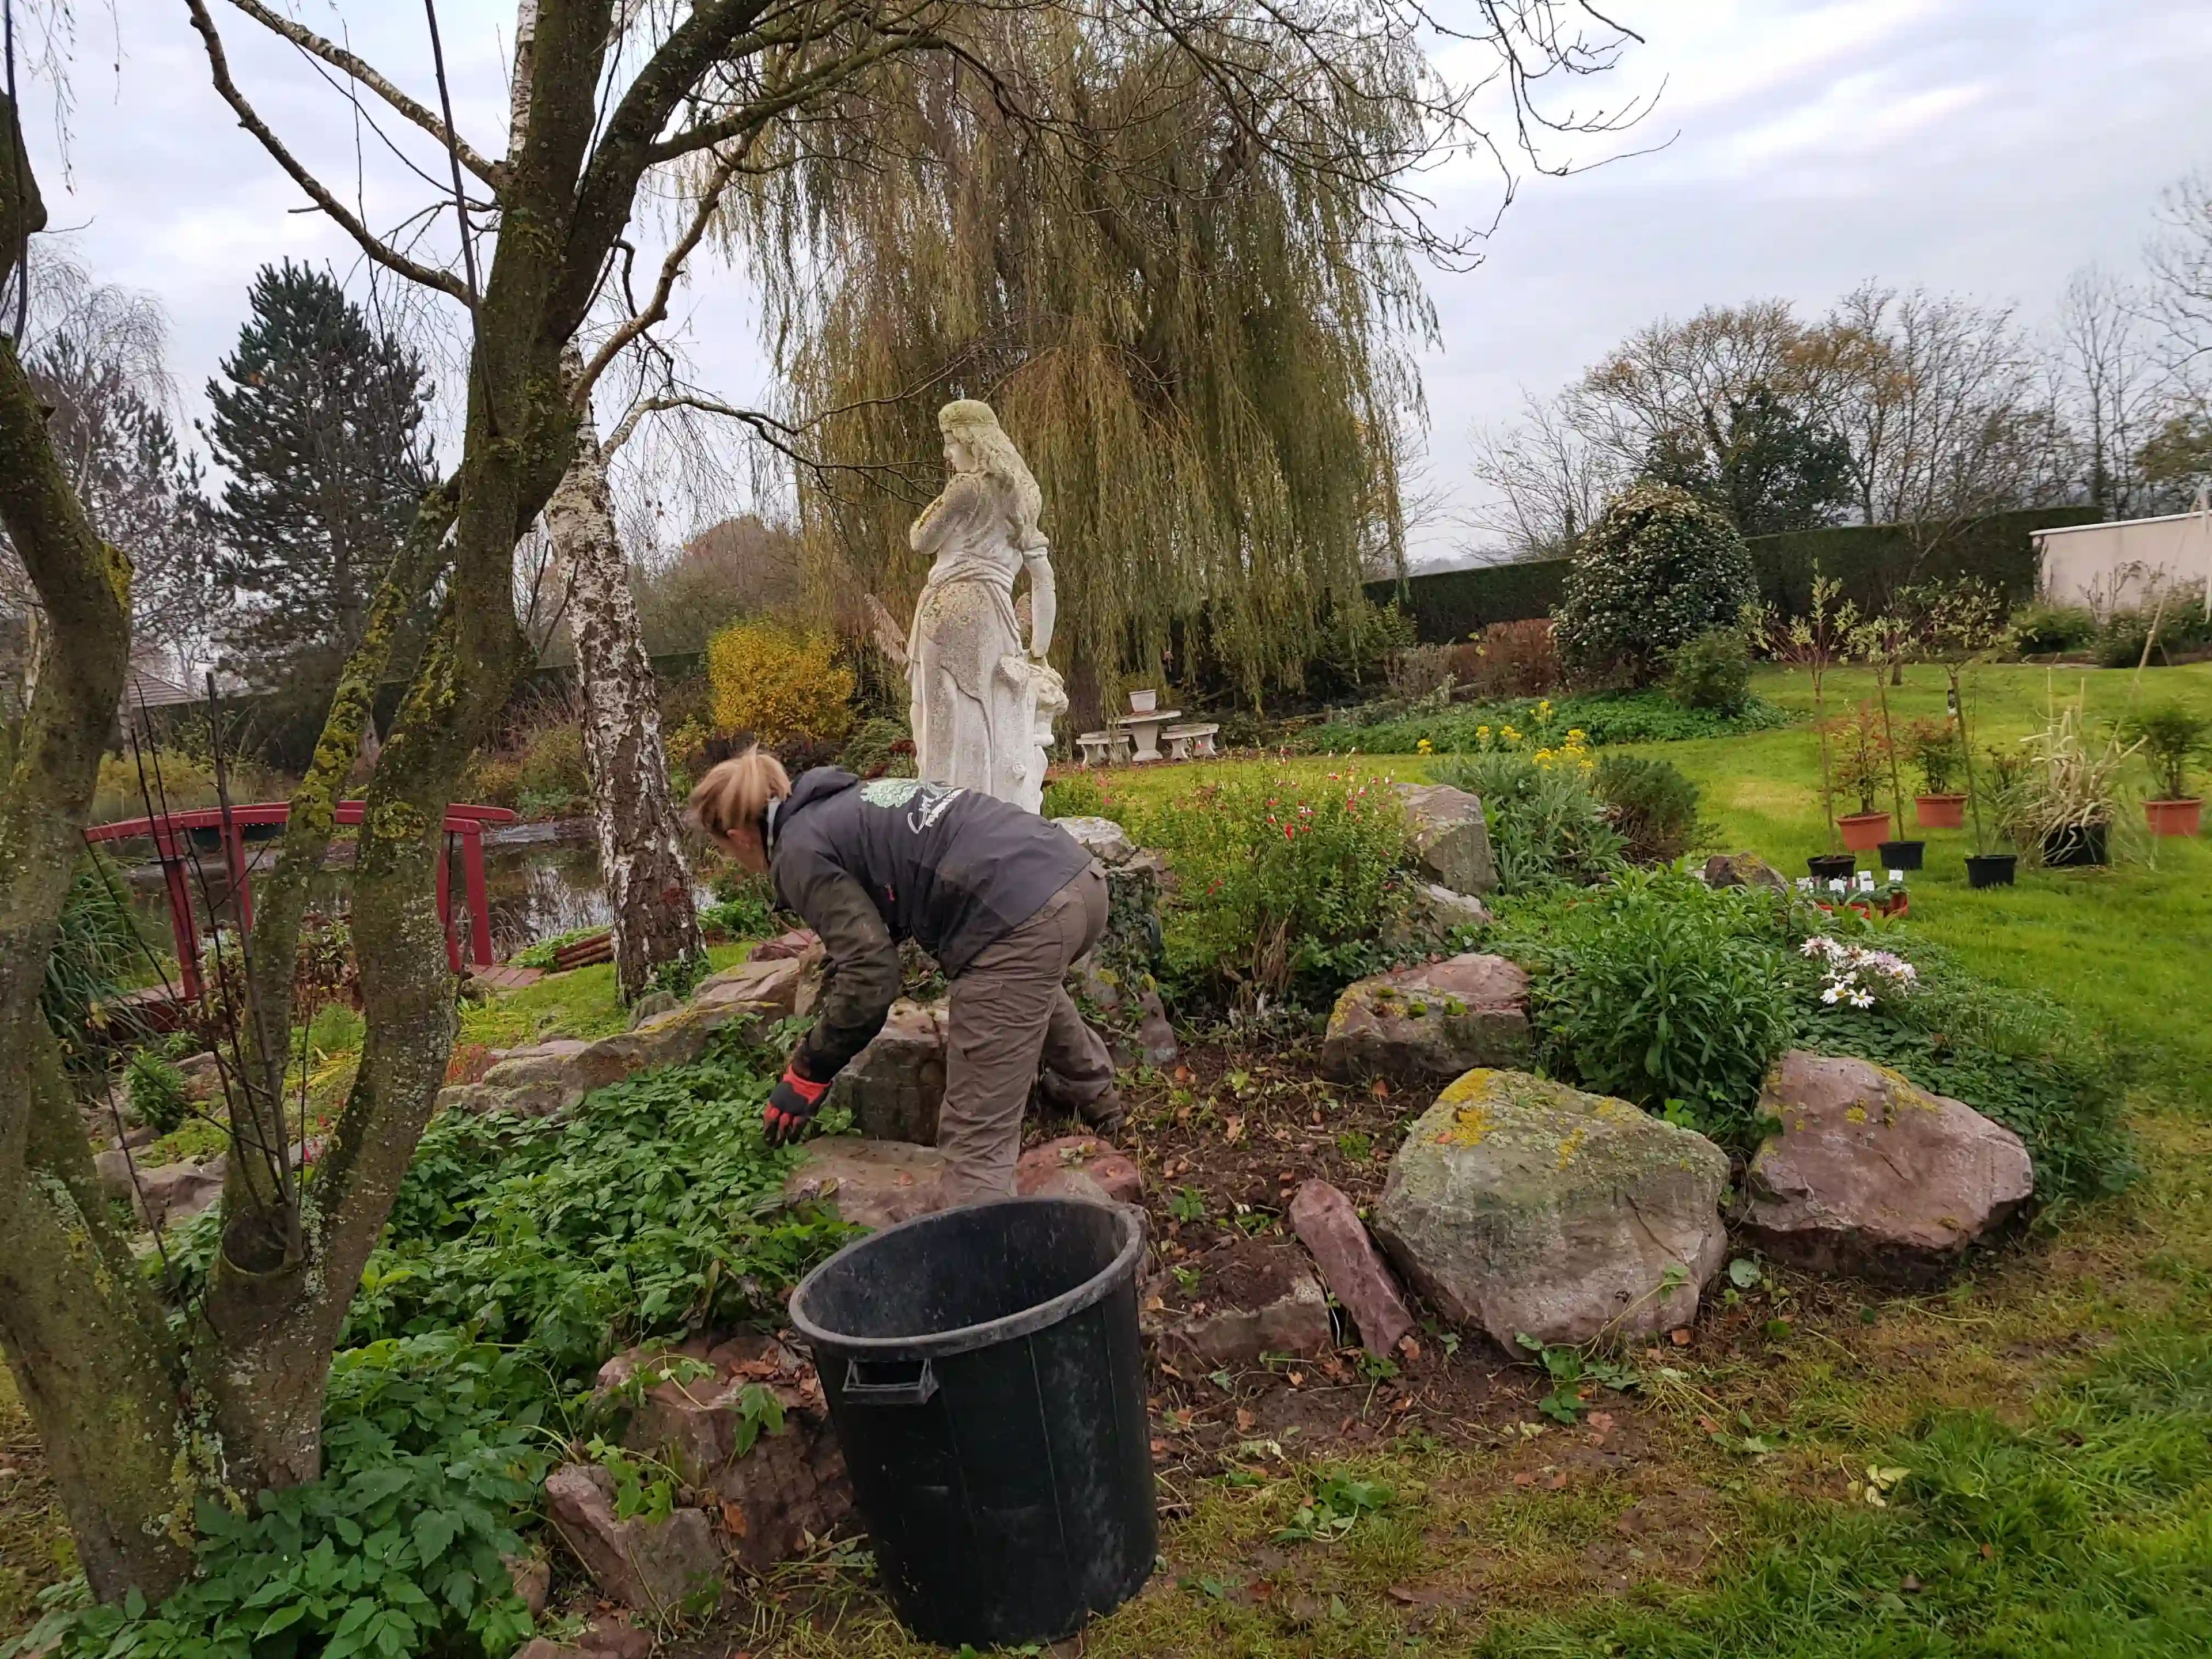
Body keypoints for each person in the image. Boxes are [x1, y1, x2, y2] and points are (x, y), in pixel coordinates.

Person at [687, 748, 1123, 1203]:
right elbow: (889, 881)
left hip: (1021, 915)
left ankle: (981, 1249)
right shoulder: (845, 801)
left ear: (738, 837)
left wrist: (807, 1072)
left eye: (725, 851)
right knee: (1020, 988)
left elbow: (871, 977)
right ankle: (1095, 1096)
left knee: (974, 1141)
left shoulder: (798, 851)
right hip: (1078, 879)